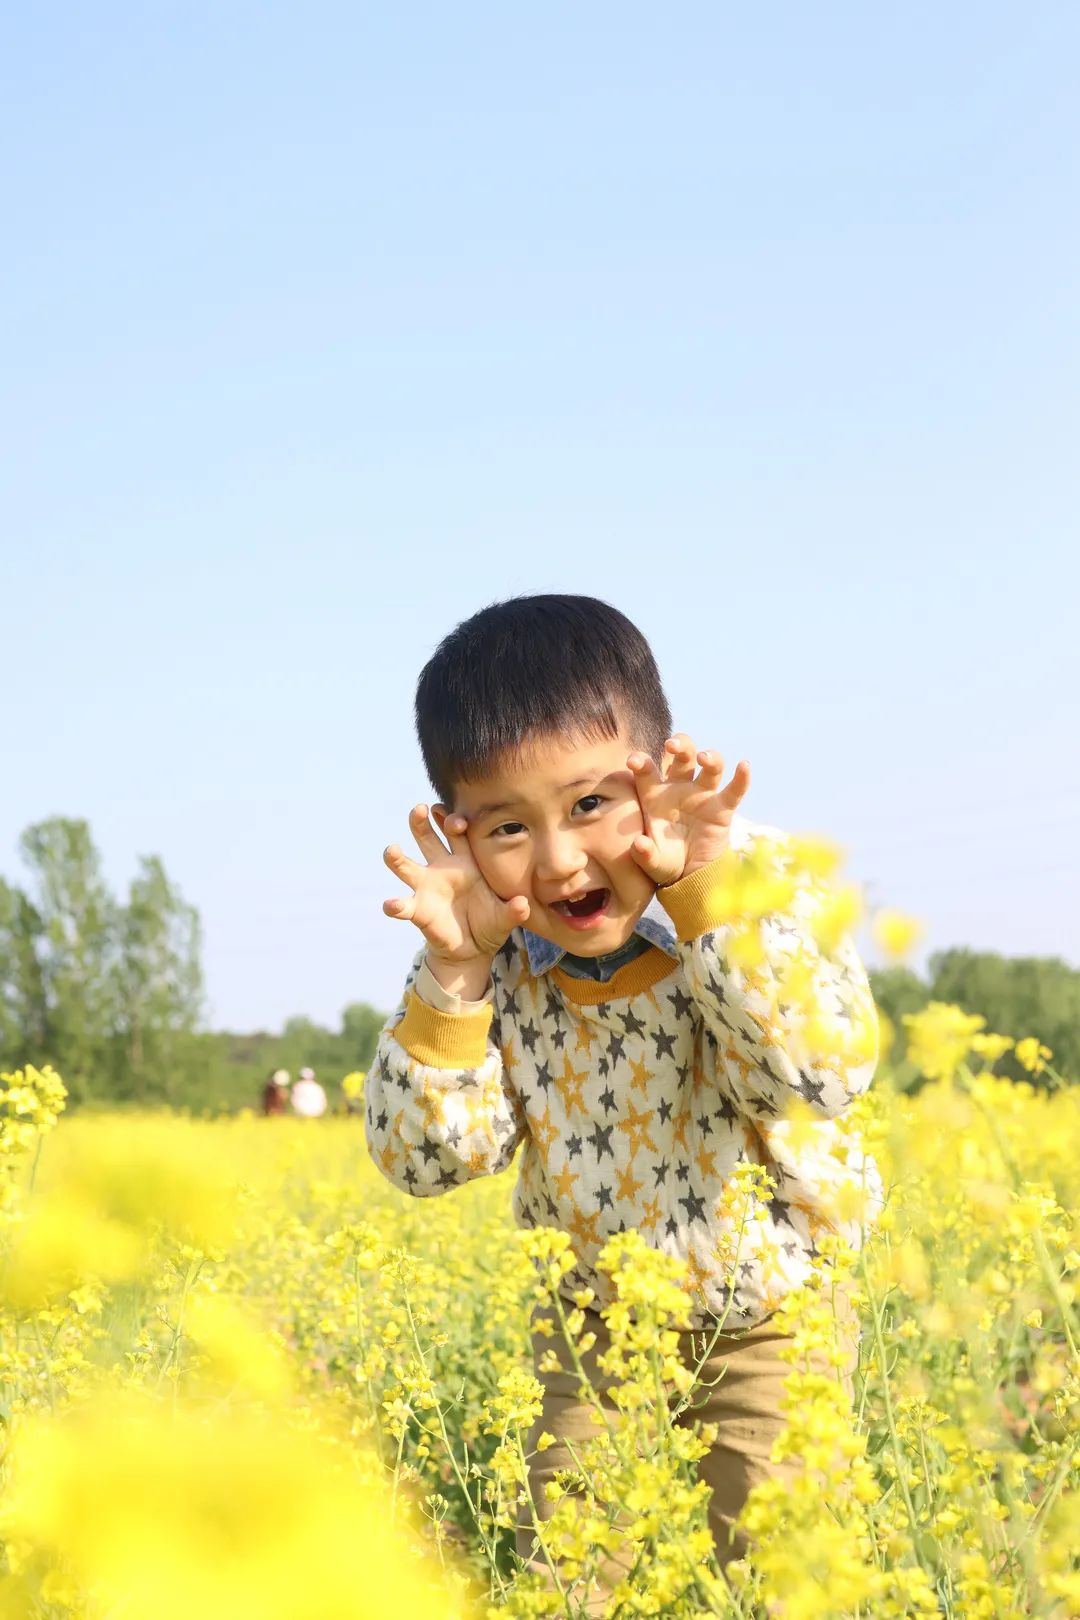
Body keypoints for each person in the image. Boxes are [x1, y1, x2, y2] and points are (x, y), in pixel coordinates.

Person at [364, 594, 883, 1601]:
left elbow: (816, 1076)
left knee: (783, 1580)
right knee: (563, 1582)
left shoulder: (756, 878)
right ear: (457, 836)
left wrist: (706, 895)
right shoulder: (489, 948)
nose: (560, 859)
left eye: (591, 804)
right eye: (508, 826)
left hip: (773, 1314)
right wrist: (455, 973)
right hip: (593, 1327)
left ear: (657, 771)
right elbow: (427, 1162)